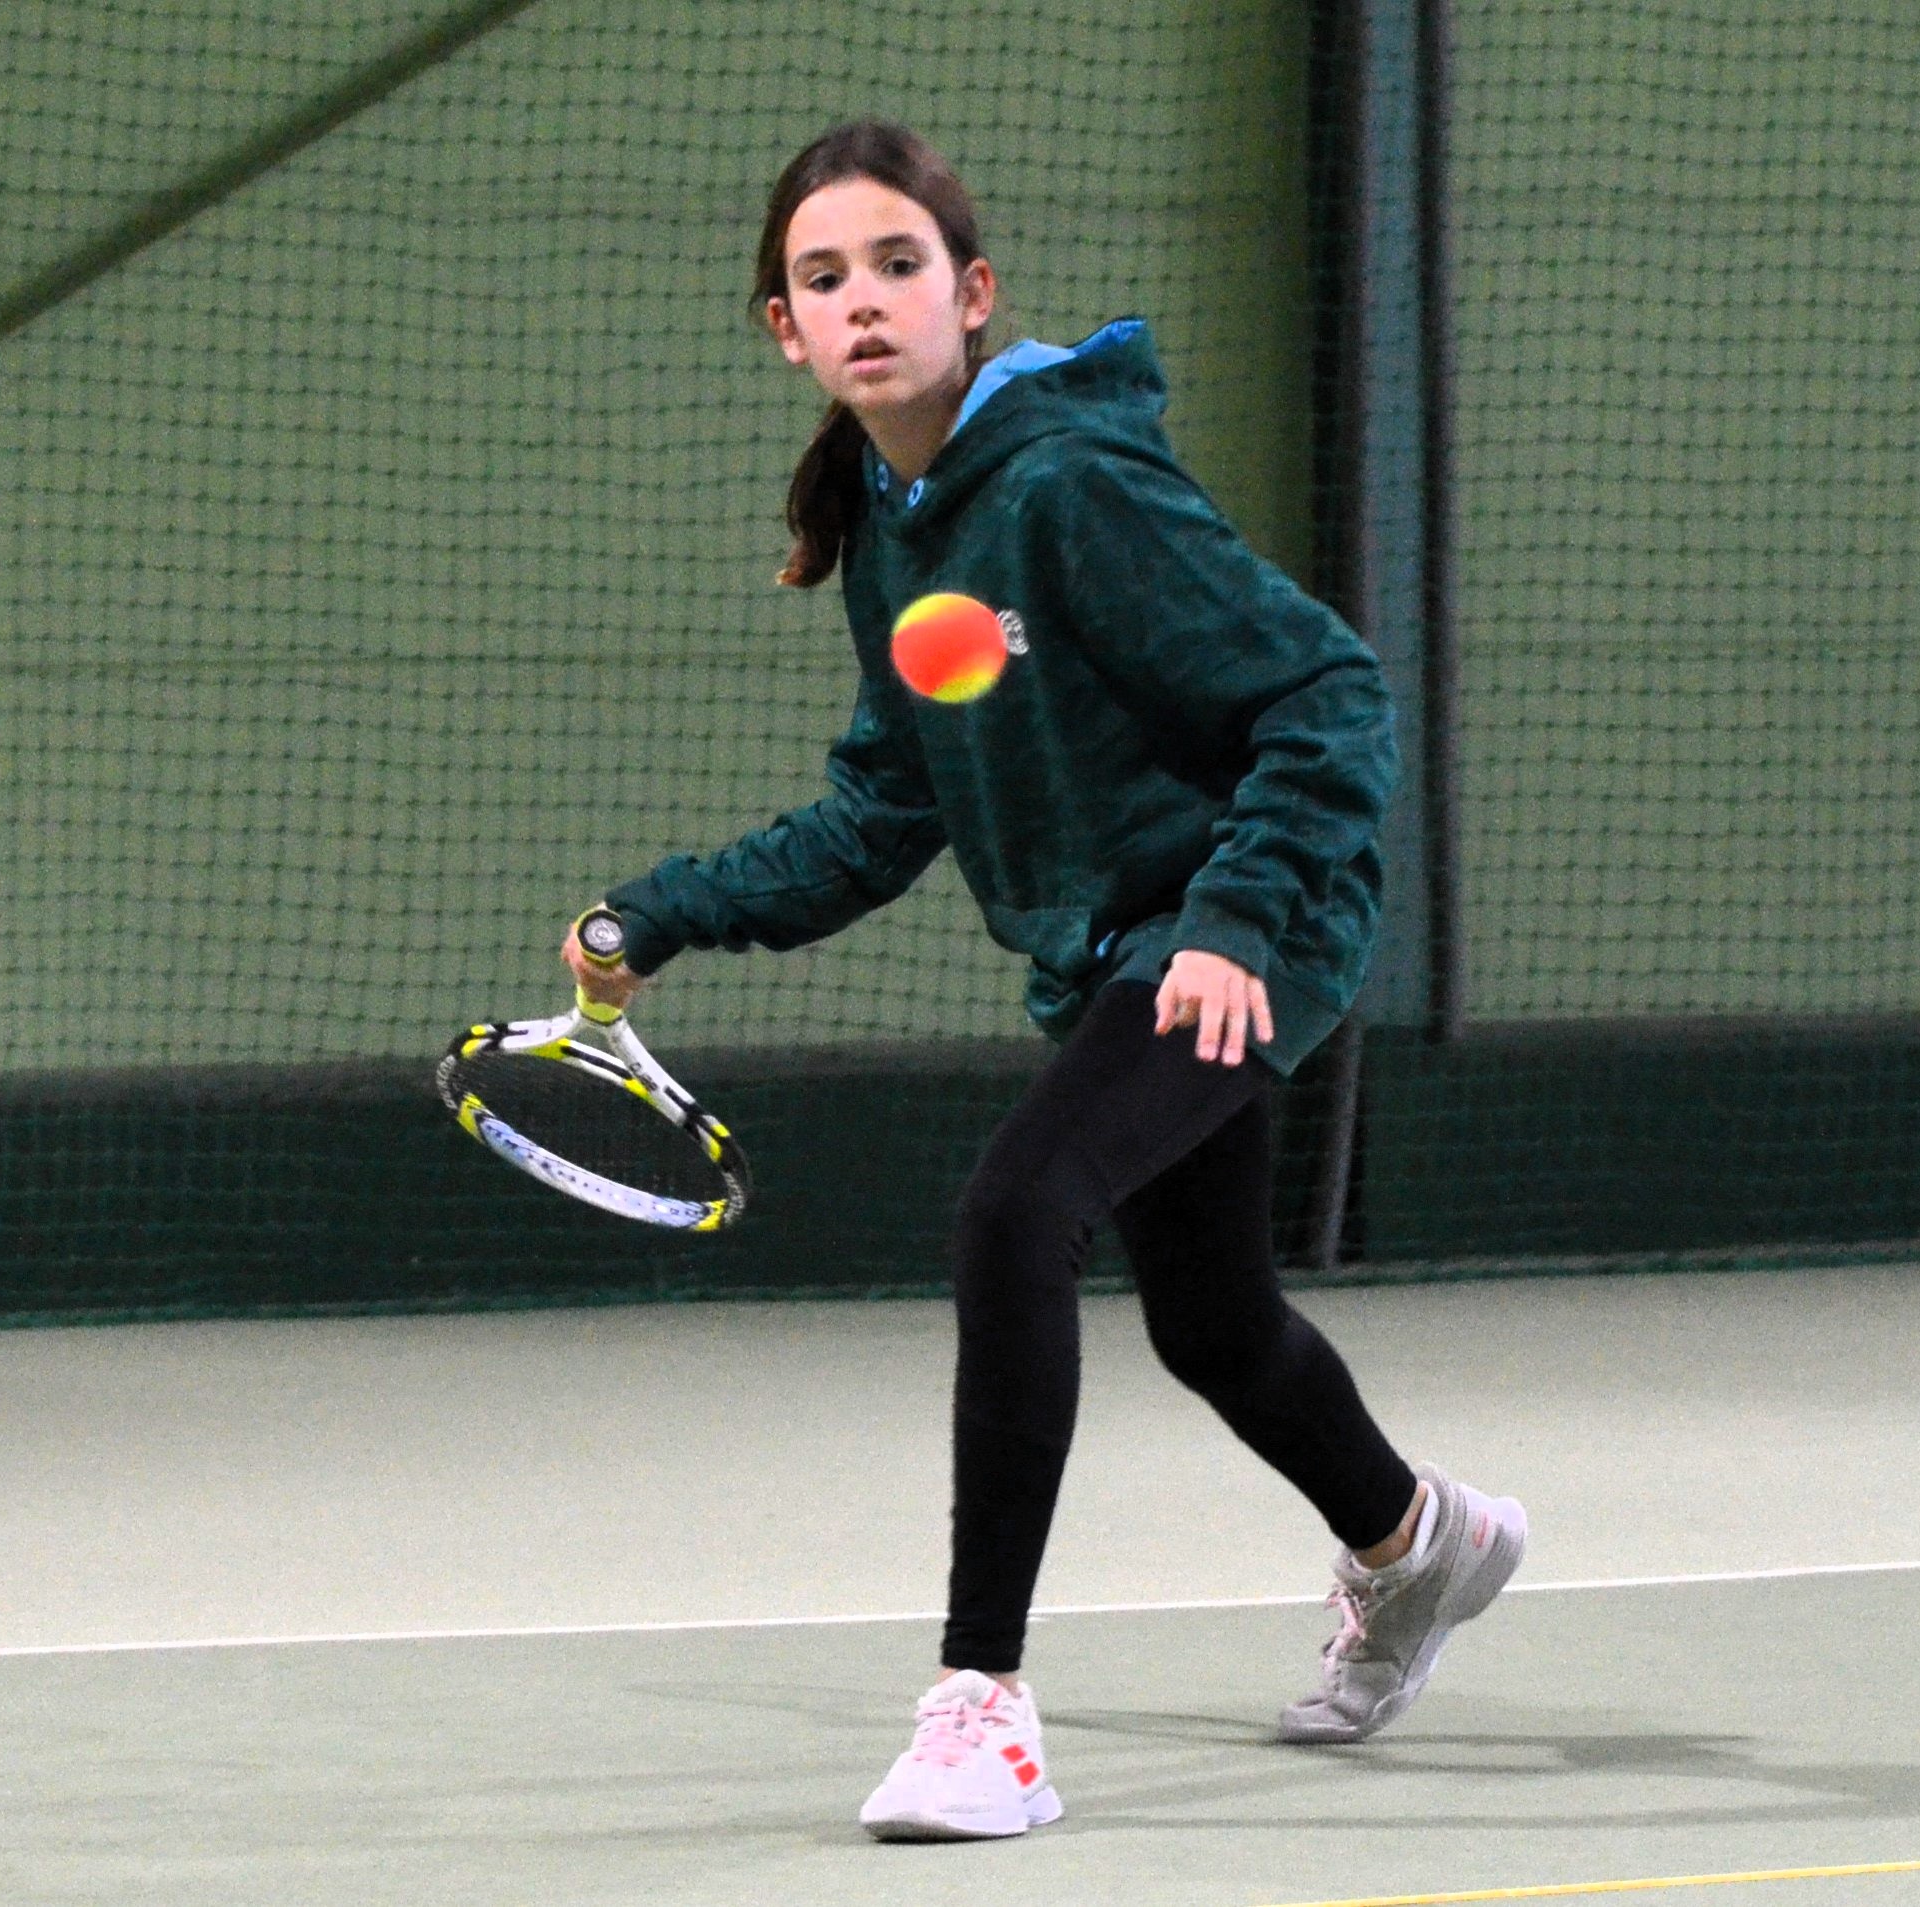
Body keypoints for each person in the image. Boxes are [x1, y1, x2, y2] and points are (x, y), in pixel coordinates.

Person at [564, 119, 1526, 1841]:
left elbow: (1327, 694)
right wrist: (660, 914)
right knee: (1211, 1323)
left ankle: (982, 1709)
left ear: (973, 290)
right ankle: (1418, 1542)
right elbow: (885, 812)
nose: (865, 301)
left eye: (899, 264)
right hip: (1120, 948)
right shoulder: (893, 532)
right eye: (824, 278)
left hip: (1247, 923)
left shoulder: (1072, 485)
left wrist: (1234, 918)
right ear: (785, 328)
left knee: (1016, 1211)